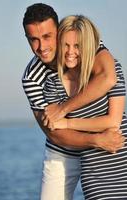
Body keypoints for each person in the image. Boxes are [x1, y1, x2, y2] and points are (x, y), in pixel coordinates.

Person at [22, 3, 124, 200]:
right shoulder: (32, 78)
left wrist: (63, 109)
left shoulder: (81, 41)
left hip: (103, 150)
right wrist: (96, 140)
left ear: (59, 32)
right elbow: (55, 134)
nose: (42, 47)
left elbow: (109, 77)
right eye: (33, 40)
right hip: (63, 152)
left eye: (47, 37)